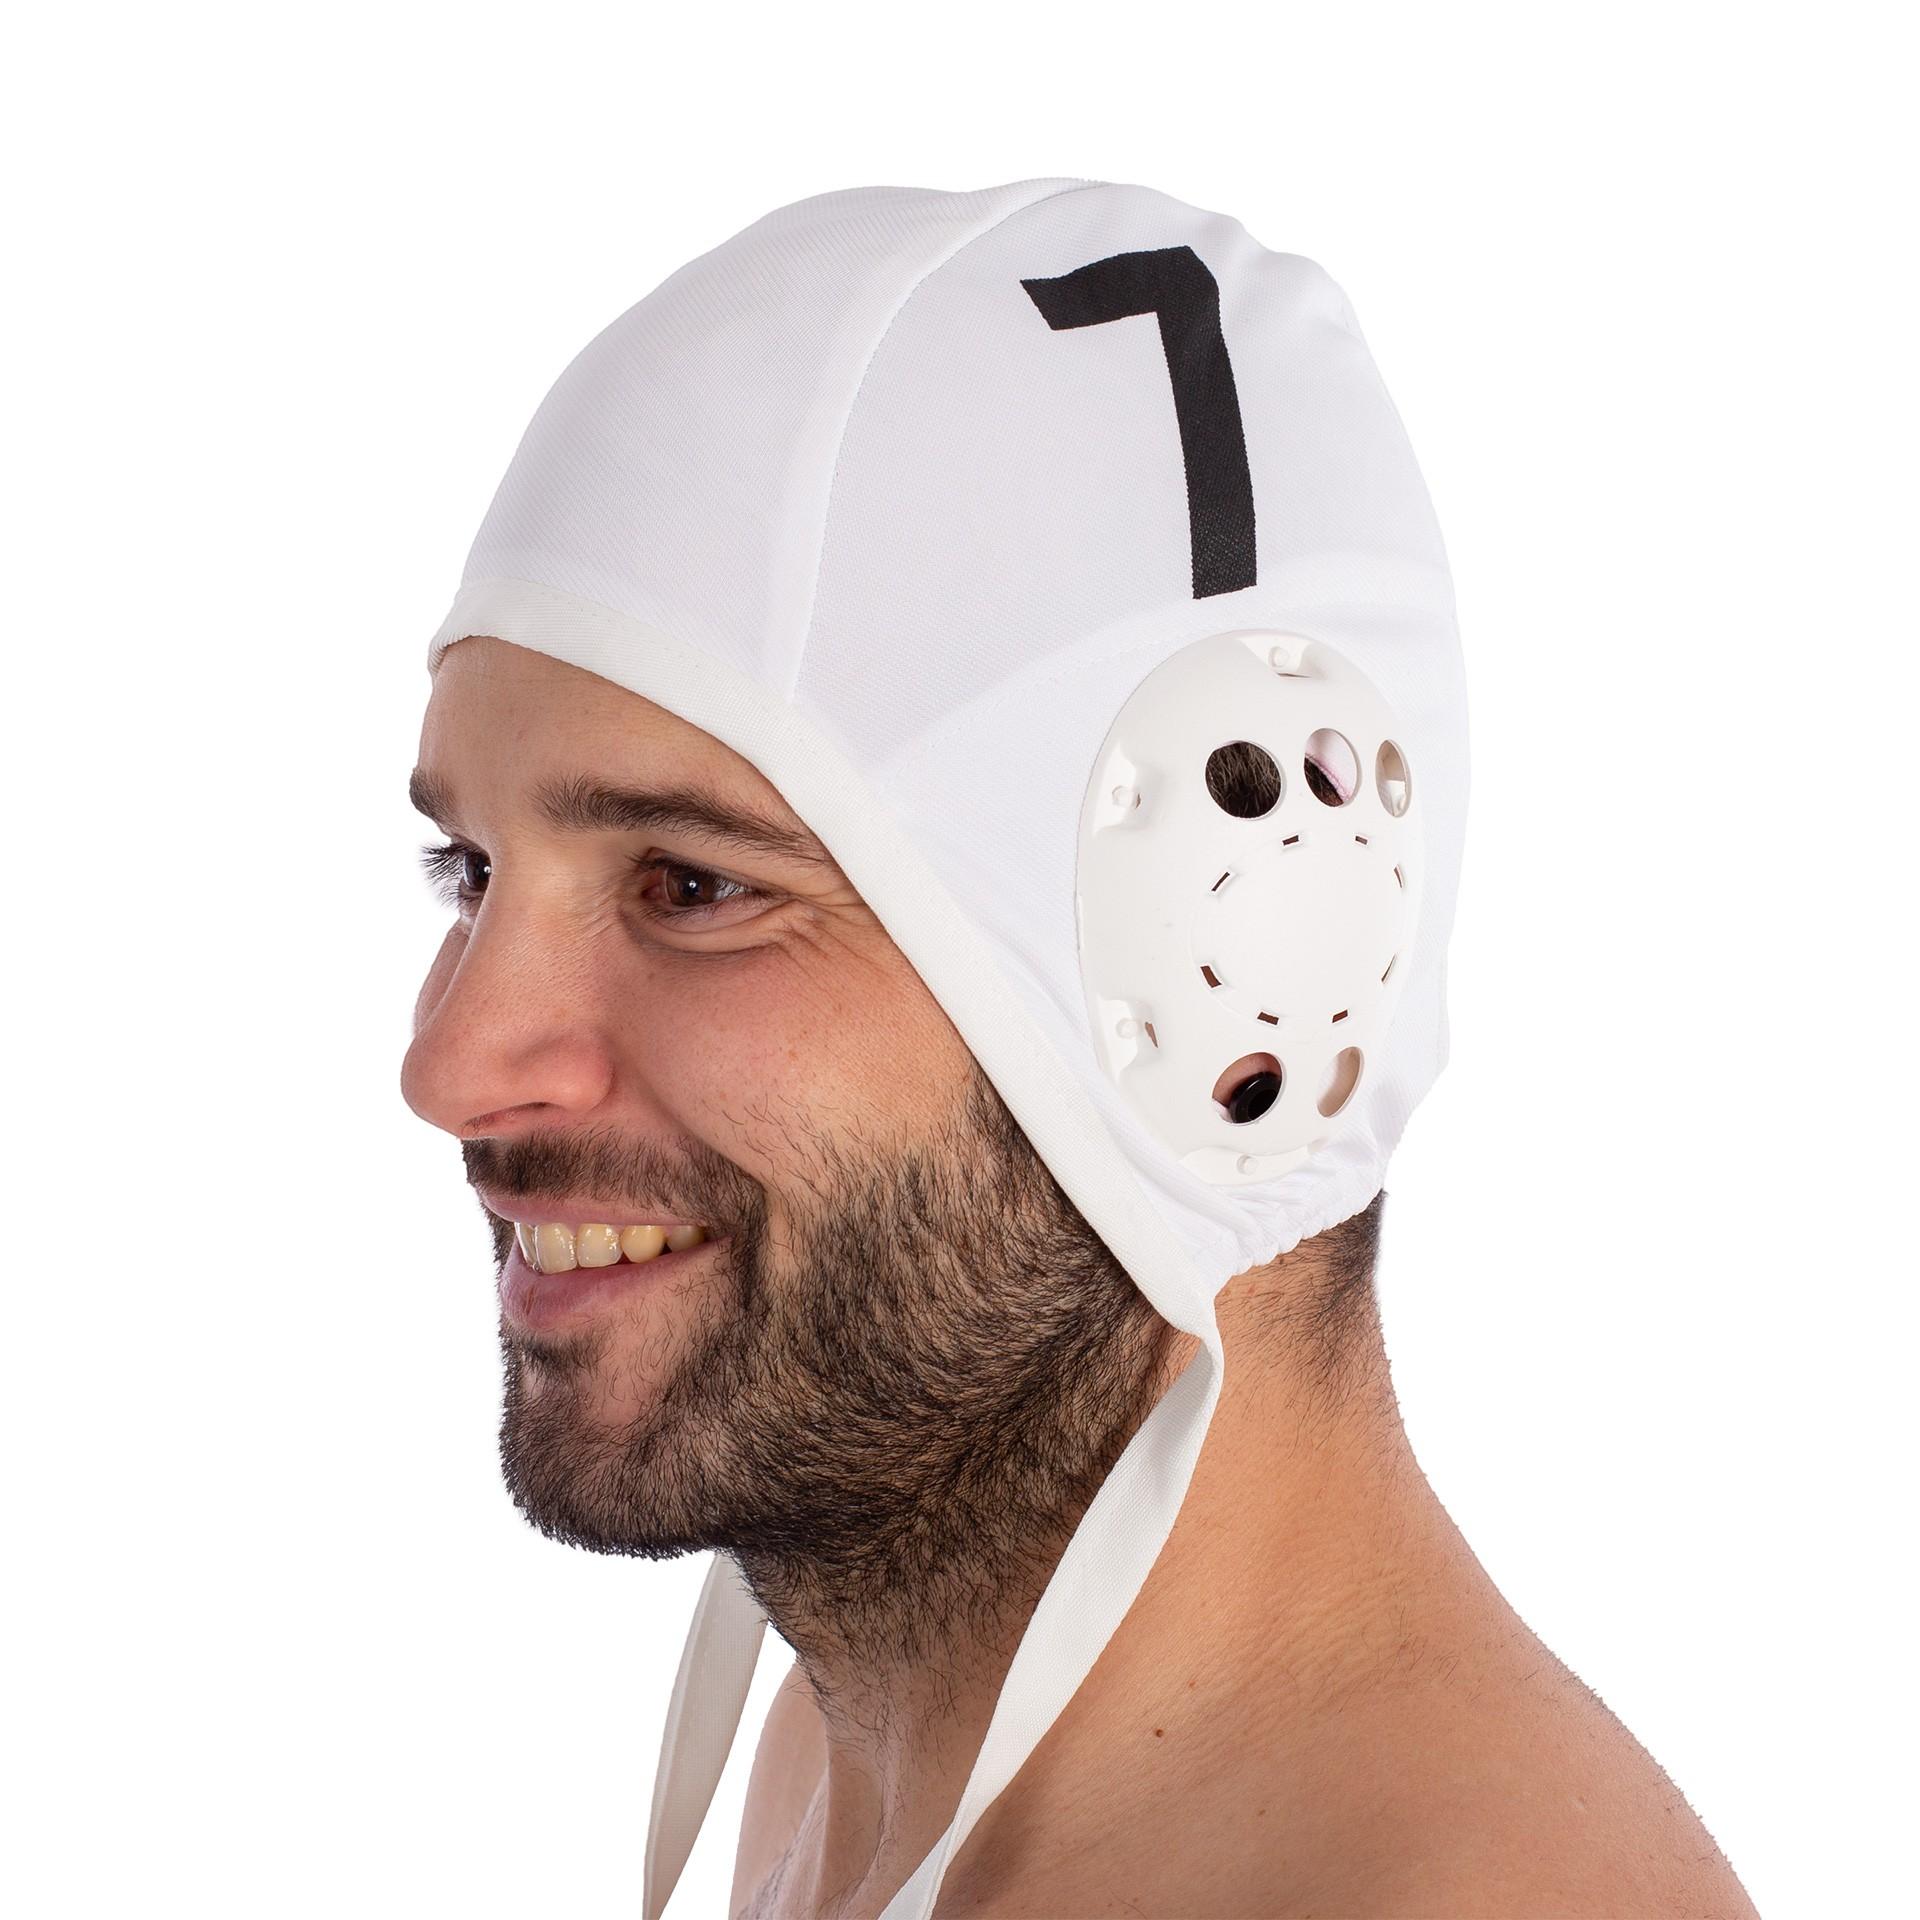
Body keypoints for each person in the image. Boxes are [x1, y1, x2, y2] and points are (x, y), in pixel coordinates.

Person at [401, 178, 1758, 1917]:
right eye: (469, 870)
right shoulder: (857, 1762)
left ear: (1235, 970)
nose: (453, 1066)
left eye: (692, 885)